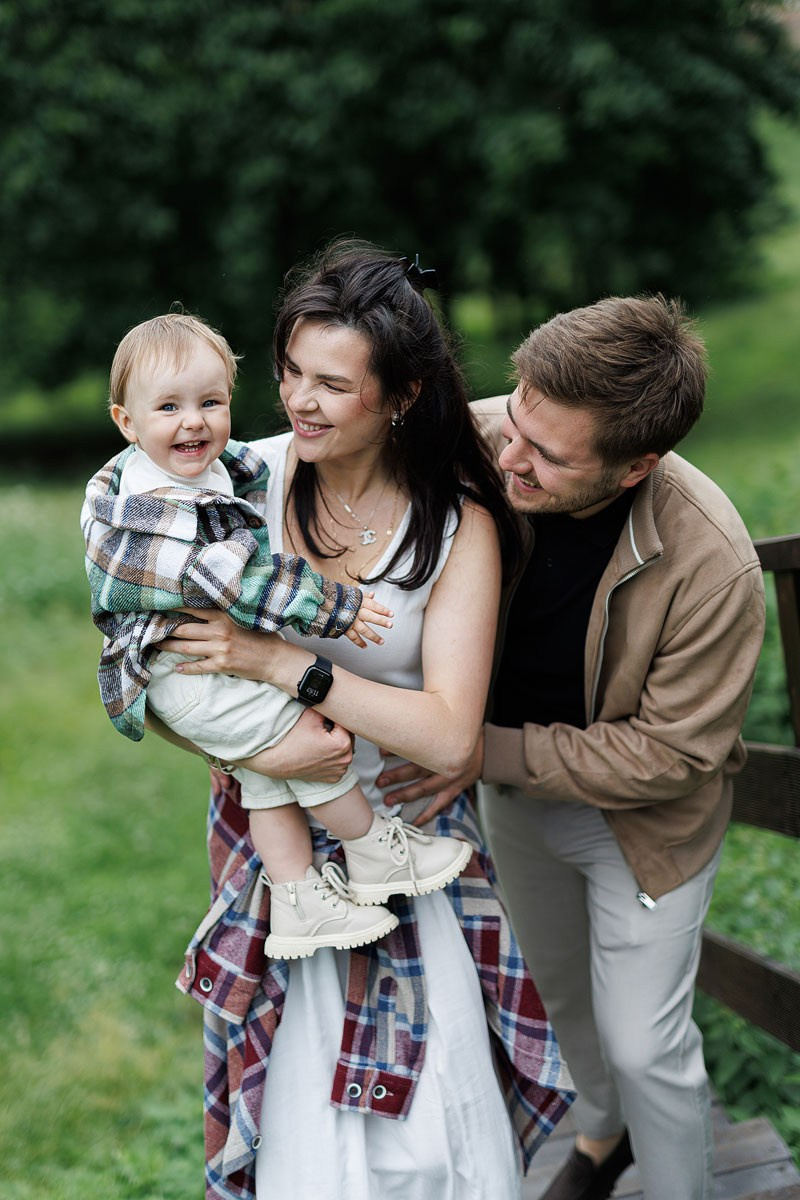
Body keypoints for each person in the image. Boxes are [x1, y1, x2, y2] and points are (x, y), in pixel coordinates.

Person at [154, 240, 576, 1199]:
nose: (298, 401)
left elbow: (447, 737)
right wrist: (252, 746)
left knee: (432, 1128)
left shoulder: (454, 523)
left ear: (402, 396)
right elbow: (166, 660)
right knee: (306, 1118)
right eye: (290, 372)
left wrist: (279, 665)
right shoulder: (238, 486)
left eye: (332, 384)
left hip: (410, 835)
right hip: (281, 846)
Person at [379, 295, 767, 1200]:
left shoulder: (713, 562)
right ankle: (601, 1141)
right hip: (516, 800)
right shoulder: (482, 438)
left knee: (646, 1044)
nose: (507, 456)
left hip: (643, 827)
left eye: (548, 456)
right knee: (558, 998)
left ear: (636, 467)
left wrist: (483, 753)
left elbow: (673, 754)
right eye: (513, 417)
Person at [81, 311, 473, 961]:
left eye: (211, 402)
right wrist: (332, 607)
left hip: (196, 675)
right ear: (126, 423)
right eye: (170, 407)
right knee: (311, 741)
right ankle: (372, 849)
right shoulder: (155, 504)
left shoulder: (213, 466)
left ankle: (296, 897)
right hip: (185, 674)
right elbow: (239, 580)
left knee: (274, 775)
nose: (194, 422)